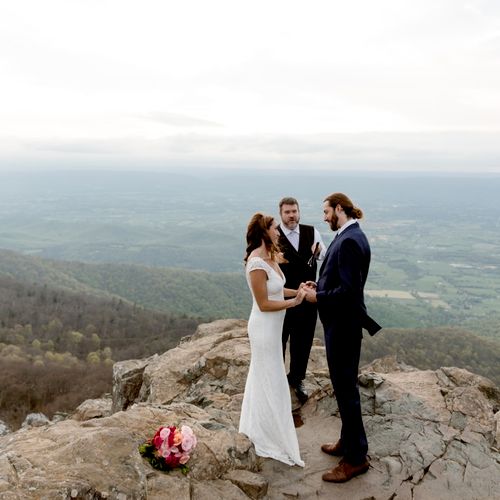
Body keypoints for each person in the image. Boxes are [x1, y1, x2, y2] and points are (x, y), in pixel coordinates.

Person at [303, 193, 381, 483]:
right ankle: (348, 443)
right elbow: (340, 279)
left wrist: (316, 297)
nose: (324, 218)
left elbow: (348, 293)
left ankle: (356, 458)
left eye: (326, 212)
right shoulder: (351, 235)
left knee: (347, 391)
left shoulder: (349, 241)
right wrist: (320, 284)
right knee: (343, 388)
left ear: (339, 208)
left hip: (343, 327)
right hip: (343, 325)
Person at [239, 212, 307, 467]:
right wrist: (295, 302)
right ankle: (267, 433)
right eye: (275, 228)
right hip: (263, 329)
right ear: (264, 231)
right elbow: (265, 303)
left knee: (268, 376)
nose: (278, 232)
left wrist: (298, 289)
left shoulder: (270, 257)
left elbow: (276, 288)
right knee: (269, 376)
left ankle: (266, 426)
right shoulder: (256, 263)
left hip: (273, 328)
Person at [278, 197, 326, 404]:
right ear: (281, 214)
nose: (292, 215)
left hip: (307, 298)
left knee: (303, 341)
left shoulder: (311, 232)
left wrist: (319, 251)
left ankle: (297, 378)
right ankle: (277, 379)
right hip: (281, 299)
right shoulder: (274, 235)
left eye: (294, 211)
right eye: (288, 212)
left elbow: (324, 256)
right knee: (279, 340)